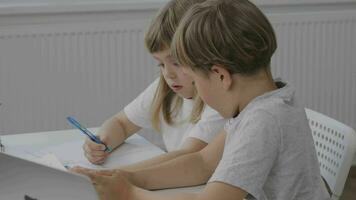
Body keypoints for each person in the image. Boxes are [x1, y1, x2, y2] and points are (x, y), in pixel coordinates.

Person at [73, 0, 331, 199]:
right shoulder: (264, 101)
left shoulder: (263, 121)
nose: (196, 90)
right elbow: (202, 162)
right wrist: (126, 178)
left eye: (195, 79)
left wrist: (128, 193)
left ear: (220, 75)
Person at [82, 0, 226, 173]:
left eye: (177, 63)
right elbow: (121, 123)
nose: (168, 74)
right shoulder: (165, 89)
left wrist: (114, 176)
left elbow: (188, 157)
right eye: (161, 64)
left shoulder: (219, 101)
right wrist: (102, 142)